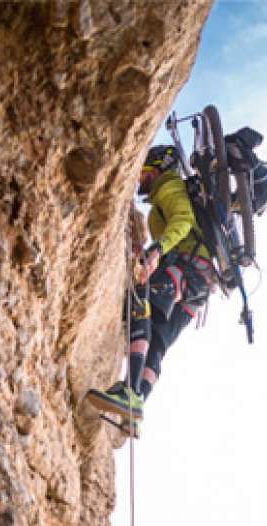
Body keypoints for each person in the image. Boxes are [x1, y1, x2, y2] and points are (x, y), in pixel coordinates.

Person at [86, 145, 215, 430]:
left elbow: (183, 221)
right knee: (158, 341)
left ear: (156, 169)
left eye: (143, 170)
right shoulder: (167, 193)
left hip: (184, 269)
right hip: (198, 286)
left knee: (140, 298)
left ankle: (128, 392)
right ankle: (137, 404)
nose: (139, 177)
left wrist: (157, 251)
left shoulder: (169, 187)